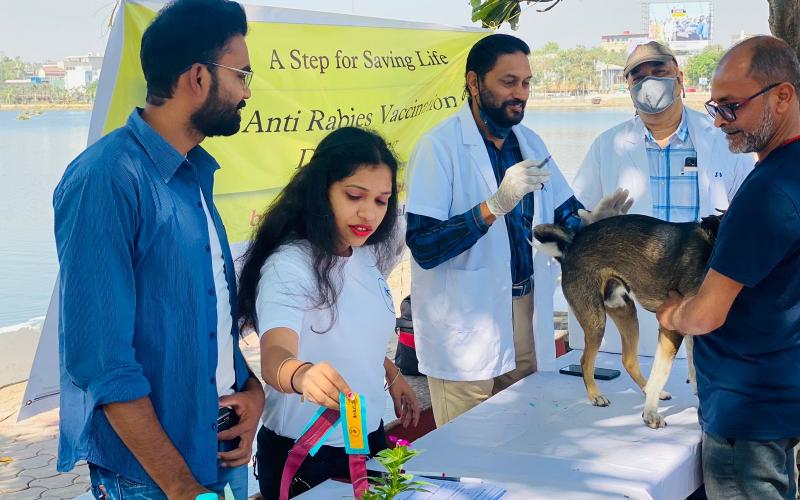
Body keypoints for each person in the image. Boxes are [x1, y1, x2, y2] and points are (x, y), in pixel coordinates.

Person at [53, 1, 264, 498]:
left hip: (217, 449)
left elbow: (207, 319)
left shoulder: (195, 174)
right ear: (197, 77)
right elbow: (101, 362)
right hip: (152, 478)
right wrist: (181, 486)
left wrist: (252, 392)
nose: (246, 92)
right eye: (241, 74)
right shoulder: (106, 179)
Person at [404, 33, 632, 427]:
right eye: (508, 82)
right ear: (474, 83)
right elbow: (424, 245)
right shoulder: (438, 148)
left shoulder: (530, 142)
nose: (521, 93)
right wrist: (492, 208)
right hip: (464, 323)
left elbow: (565, 216)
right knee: (469, 448)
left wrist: (596, 224)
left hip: (526, 313)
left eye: (526, 83)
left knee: (526, 433)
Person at [237, 127, 422, 499]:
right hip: (307, 453)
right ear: (321, 191)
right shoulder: (289, 265)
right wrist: (301, 374)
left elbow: (350, 332)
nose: (368, 212)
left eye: (382, 200)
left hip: (368, 440)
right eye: (354, 195)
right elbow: (275, 357)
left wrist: (391, 371)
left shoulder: (366, 255)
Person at [657, 35, 800, 500]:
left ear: (783, 96)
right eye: (714, 107)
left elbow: (706, 315)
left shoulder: (768, 192)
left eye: (731, 107)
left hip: (748, 411)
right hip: (780, 392)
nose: (719, 122)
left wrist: (671, 311)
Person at [570, 41, 753, 354]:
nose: (649, 81)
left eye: (659, 70)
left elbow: (751, 223)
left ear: (679, 77)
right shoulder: (607, 146)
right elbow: (572, 226)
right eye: (637, 76)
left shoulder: (723, 139)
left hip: (706, 302)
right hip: (633, 304)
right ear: (627, 86)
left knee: (701, 386)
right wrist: (592, 225)